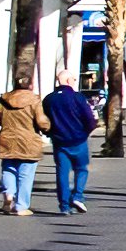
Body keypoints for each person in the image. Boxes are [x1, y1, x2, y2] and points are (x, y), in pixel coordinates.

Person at [0, 69, 51, 216]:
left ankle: (8, 195)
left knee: (8, 169)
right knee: (26, 174)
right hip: (28, 141)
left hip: (7, 139)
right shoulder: (34, 100)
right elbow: (41, 121)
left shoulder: (4, 99)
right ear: (30, 84)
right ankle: (21, 206)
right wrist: (48, 128)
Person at [42, 70, 97, 215]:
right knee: (82, 169)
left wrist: (50, 134)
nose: (74, 81)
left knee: (62, 173)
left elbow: (43, 121)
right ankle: (78, 196)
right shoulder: (77, 98)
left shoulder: (49, 99)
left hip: (59, 142)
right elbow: (89, 118)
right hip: (78, 140)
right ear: (68, 81)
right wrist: (85, 132)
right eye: (73, 79)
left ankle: (64, 206)